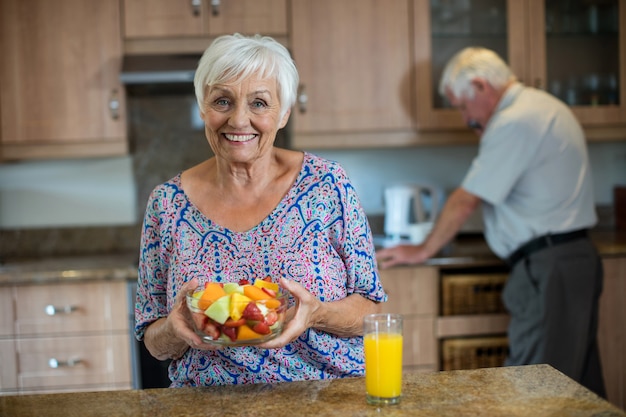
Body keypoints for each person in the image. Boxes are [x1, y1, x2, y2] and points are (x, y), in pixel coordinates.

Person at [135, 33, 386, 387]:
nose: (239, 120)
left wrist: (317, 314)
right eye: (222, 101)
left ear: (283, 113)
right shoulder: (166, 204)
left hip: (325, 397)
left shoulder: (327, 184)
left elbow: (373, 311)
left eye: (259, 103)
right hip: (208, 405)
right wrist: (175, 331)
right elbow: (153, 339)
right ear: (202, 108)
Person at [376, 47, 605, 397]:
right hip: (569, 259)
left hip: (549, 267)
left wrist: (423, 250)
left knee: (535, 389)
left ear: (481, 86)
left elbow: (466, 199)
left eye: (463, 106)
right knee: (579, 388)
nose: (466, 118)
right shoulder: (541, 106)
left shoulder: (515, 120)